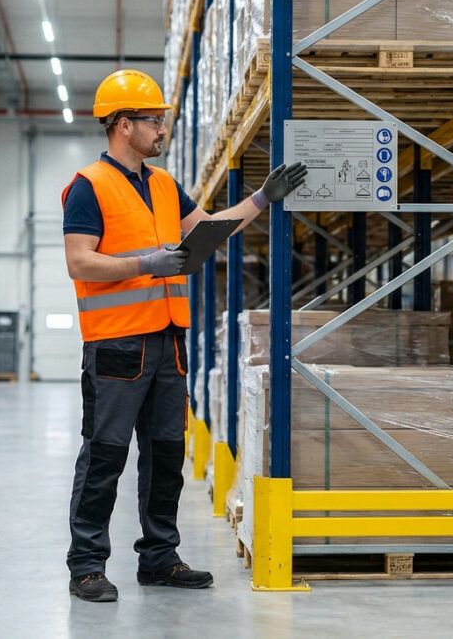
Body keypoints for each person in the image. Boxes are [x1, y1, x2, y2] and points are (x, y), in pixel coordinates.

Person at [61, 69, 306, 603]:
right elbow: (80, 261)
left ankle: (159, 557)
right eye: (153, 120)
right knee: (105, 455)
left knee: (167, 454)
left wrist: (262, 199)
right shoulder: (89, 186)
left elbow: (207, 227)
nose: (161, 128)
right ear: (123, 125)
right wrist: (148, 262)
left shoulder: (164, 184)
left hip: (170, 340)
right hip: (117, 344)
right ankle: (86, 565)